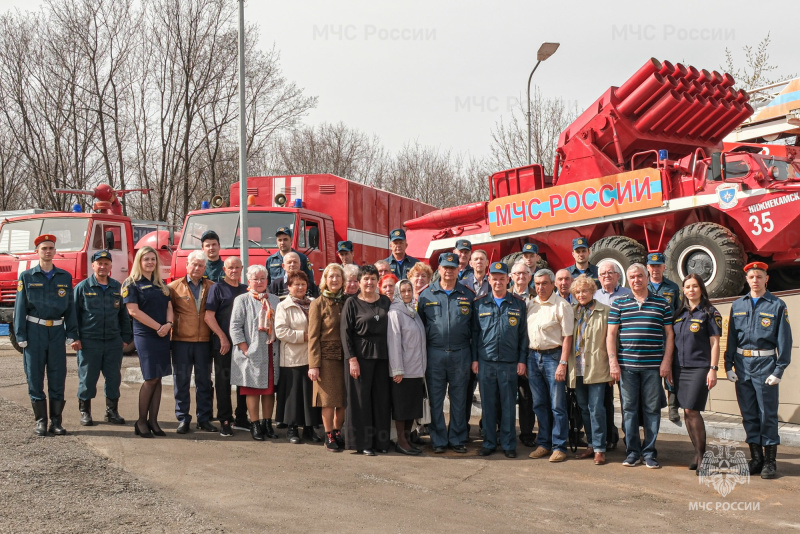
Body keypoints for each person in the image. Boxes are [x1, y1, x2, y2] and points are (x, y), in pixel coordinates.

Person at [725, 262, 792, 479]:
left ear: (766, 279)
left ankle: (770, 462)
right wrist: (728, 365)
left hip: (766, 366)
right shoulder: (738, 305)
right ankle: (756, 458)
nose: (755, 280)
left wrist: (779, 370)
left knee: (767, 415)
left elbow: (785, 341)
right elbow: (732, 339)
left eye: (759, 276)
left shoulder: (777, 305)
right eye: (751, 277)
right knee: (749, 414)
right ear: (746, 280)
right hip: (743, 367)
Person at [607, 263, 674, 469]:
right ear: (628, 280)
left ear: (647, 277)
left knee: (652, 410)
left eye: (640, 276)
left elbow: (670, 335)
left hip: (653, 368)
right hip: (626, 367)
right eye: (632, 277)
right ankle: (633, 452)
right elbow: (611, 334)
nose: (636, 280)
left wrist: (666, 362)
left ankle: (650, 452)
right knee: (629, 410)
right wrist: (613, 363)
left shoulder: (662, 303)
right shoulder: (619, 304)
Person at [14, 234, 79, 436]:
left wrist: (72, 332)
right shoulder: (27, 277)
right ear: (37, 252)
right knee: (34, 376)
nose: (48, 251)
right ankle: (41, 421)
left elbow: (70, 308)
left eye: (51, 248)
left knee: (57, 376)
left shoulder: (64, 277)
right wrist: (20, 335)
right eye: (44, 248)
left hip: (57, 332)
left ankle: (56, 422)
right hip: (35, 331)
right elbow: (20, 308)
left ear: (55, 251)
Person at [417, 253, 474, 454]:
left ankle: (457, 438)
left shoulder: (468, 294)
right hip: (435, 354)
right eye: (445, 267)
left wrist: (473, 357)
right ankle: (439, 439)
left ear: (459, 270)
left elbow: (475, 330)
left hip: (461, 353)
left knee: (459, 399)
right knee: (436, 399)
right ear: (438, 269)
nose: (449, 271)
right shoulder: (426, 295)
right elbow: (420, 327)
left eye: (453, 267)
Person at [473, 262, 528, 458]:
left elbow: (523, 336)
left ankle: (508, 443)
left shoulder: (518, 303)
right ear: (489, 279)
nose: (498, 282)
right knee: (488, 406)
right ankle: (488, 442)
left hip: (509, 363)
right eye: (494, 278)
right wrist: (475, 360)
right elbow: (474, 334)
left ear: (508, 279)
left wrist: (522, 360)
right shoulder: (479, 303)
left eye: (502, 278)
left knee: (507, 406)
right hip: (486, 361)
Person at [73, 250, 133, 427]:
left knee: (113, 378)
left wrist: (125, 338)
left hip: (113, 342)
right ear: (93, 266)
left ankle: (111, 411)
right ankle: (85, 412)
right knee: (88, 378)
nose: (102, 266)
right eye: (99, 263)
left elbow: (124, 315)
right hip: (89, 341)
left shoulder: (117, 287)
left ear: (111, 266)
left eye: (106, 263)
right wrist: (74, 338)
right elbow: (73, 316)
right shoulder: (82, 288)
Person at [341, 264, 393, 455]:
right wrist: (351, 359)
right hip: (360, 357)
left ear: (377, 281)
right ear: (359, 282)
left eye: (373, 278)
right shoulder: (352, 303)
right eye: (366, 279)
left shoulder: (386, 302)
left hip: (383, 356)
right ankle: (363, 443)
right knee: (360, 401)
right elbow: (345, 333)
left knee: (381, 400)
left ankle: (381, 442)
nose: (369, 282)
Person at [123, 246, 173, 439]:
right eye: (146, 259)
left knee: (158, 378)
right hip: (146, 335)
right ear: (139, 262)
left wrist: (168, 324)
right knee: (150, 378)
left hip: (162, 333)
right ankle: (141, 421)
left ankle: (154, 421)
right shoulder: (132, 283)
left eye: (153, 259)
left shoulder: (161, 284)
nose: (150, 262)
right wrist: (158, 327)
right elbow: (133, 311)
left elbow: (169, 306)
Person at [673, 274, 721, 475]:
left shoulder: (710, 312)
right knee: (686, 411)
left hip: (699, 367)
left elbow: (715, 343)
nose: (691, 290)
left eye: (695, 286)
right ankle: (696, 453)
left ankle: (703, 457)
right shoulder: (680, 313)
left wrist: (713, 369)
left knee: (693, 410)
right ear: (683, 290)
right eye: (687, 287)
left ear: (701, 288)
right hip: (679, 368)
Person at [526, 269, 574, 463]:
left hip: (553, 357)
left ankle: (559, 446)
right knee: (539, 404)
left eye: (544, 283)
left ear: (552, 284)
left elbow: (568, 337)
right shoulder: (531, 304)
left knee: (557, 405)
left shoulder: (562, 306)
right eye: (537, 284)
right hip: (532, 357)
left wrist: (562, 363)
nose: (540, 287)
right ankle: (544, 443)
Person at [230, 264, 281, 441]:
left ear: (267, 280)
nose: (259, 282)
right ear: (249, 281)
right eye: (255, 279)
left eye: (262, 278)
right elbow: (235, 326)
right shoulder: (242, 299)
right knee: (252, 390)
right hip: (251, 352)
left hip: (271, 350)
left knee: (269, 390)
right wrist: (244, 348)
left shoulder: (275, 299)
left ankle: (267, 423)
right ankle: (255, 424)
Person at [168, 251, 217, 434]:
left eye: (201, 265)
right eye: (194, 264)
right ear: (187, 265)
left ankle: (204, 419)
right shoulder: (173, 287)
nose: (197, 268)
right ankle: (183, 418)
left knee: (204, 382)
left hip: (204, 341)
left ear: (205, 268)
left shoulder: (212, 287)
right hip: (181, 341)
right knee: (181, 381)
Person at [568, 275, 612, 465]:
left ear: (592, 291)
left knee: (596, 409)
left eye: (584, 291)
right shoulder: (571, 311)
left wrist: (612, 367)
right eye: (577, 292)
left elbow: (613, 342)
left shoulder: (605, 311)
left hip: (597, 367)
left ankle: (600, 449)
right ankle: (591, 445)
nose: (581, 295)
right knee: (584, 409)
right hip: (577, 368)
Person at [275, 271, 322, 444]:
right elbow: (280, 331)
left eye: (303, 284)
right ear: (289, 287)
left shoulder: (313, 303)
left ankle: (309, 429)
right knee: (293, 396)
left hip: (312, 357)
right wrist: (305, 336)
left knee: (310, 394)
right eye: (296, 284)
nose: (300, 287)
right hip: (292, 358)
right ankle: (292, 429)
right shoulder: (283, 306)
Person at [204, 256, 249, 436]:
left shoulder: (246, 289)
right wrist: (223, 337)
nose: (234, 271)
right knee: (223, 382)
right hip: (223, 345)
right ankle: (225, 419)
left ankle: (241, 417)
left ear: (241, 269)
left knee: (244, 381)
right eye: (230, 268)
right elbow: (209, 317)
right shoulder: (217, 288)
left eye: (237, 268)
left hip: (243, 345)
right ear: (224, 269)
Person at [308, 264, 348, 452]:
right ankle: (328, 434)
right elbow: (313, 336)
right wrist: (314, 365)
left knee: (342, 400)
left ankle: (338, 431)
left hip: (344, 359)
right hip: (325, 359)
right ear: (325, 279)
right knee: (328, 400)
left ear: (343, 280)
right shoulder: (318, 303)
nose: (334, 280)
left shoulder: (347, 301)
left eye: (338, 276)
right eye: (331, 276)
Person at [593, 259, 632, 450]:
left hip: (625, 351)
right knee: (605, 400)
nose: (606, 276)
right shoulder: (594, 297)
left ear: (618, 275)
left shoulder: (628, 295)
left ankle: (630, 440)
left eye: (610, 273)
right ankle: (610, 436)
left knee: (627, 401)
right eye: (603, 274)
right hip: (602, 356)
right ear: (598, 277)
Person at [387, 279, 427, 455]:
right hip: (403, 371)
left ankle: (408, 439)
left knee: (412, 407)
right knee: (402, 408)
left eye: (409, 290)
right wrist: (397, 369)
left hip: (416, 369)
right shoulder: (395, 313)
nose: (406, 294)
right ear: (397, 293)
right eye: (402, 291)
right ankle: (401, 441)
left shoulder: (412, 311)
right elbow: (394, 342)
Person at [646, 252, 682, 423]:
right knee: (652, 372)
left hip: (667, 334)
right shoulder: (643, 286)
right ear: (647, 268)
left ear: (664, 267)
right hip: (649, 335)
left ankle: (673, 406)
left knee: (670, 370)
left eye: (658, 266)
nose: (655, 269)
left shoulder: (673, 287)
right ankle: (655, 405)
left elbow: (678, 310)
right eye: (652, 266)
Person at [460, 248, 490, 433]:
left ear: (487, 263)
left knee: (487, 392)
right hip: (467, 344)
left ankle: (486, 427)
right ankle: (462, 427)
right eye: (475, 259)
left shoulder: (493, 283)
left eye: (482, 259)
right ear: (470, 263)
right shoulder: (462, 284)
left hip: (486, 344)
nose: (478, 262)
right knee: (465, 391)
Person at [510, 260, 536, 448]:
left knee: (527, 397)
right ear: (511, 276)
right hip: (508, 355)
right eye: (517, 274)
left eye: (524, 273)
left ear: (530, 276)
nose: (521, 277)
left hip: (530, 353)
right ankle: (504, 431)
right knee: (506, 396)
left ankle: (527, 434)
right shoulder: (504, 294)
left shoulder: (538, 296)